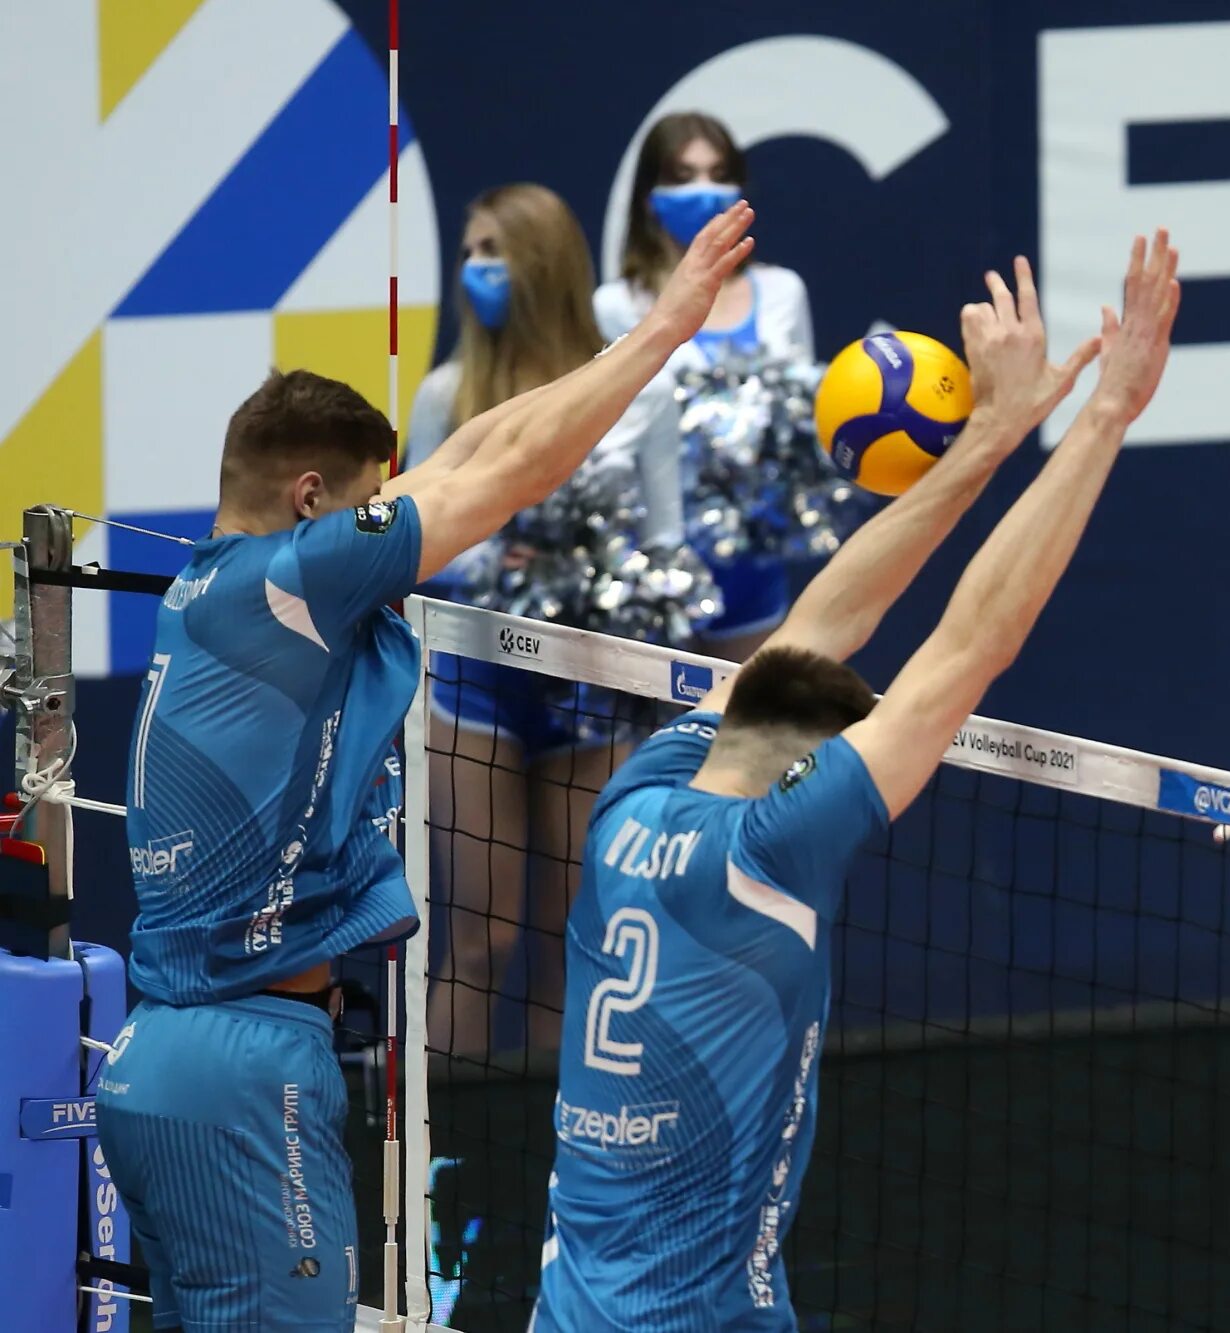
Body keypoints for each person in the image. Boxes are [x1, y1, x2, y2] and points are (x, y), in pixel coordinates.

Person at [92, 202, 757, 1333]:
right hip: (243, 1071)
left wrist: (621, 347)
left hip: (167, 1052)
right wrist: (665, 335)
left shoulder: (212, 590)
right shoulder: (290, 585)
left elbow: (474, 454)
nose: (388, 533)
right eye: (368, 507)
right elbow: (506, 479)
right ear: (313, 501)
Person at [531, 233, 1181, 1332]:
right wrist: (1105, 410)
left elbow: (820, 625)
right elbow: (973, 642)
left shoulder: (635, 794)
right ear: (802, 773)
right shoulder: (774, 846)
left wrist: (992, 433)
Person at [408, 182, 685, 1056]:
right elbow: (411, 544)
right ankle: (431, 1178)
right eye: (468, 253)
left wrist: (602, 573)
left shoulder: (638, 392)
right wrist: (495, 556)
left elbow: (669, 549)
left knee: (583, 941)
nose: (476, 269)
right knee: (480, 939)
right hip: (474, 686)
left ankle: (555, 1172)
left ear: (542, 264)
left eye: (493, 250)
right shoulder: (446, 393)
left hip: (593, 693)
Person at [597, 110, 814, 660]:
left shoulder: (784, 291)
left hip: (753, 570)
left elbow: (802, 429)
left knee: (749, 733)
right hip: (647, 569)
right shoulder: (616, 305)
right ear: (649, 195)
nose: (703, 190)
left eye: (717, 173)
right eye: (682, 175)